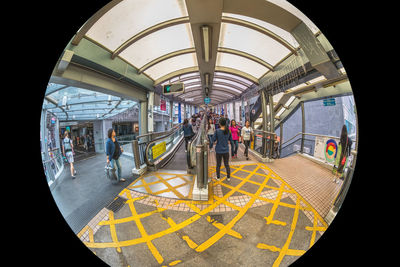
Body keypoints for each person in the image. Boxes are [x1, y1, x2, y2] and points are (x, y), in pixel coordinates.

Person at [212, 117, 232, 181]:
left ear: (220, 124)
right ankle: (228, 177)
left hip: (218, 150)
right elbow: (230, 140)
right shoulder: (228, 130)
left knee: (218, 165)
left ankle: (218, 177)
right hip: (226, 150)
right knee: (226, 164)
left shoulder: (217, 131)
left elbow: (213, 139)